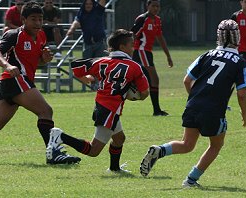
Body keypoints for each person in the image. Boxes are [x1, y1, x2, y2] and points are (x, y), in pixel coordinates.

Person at [140, 19, 246, 188]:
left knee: (187, 144)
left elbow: (186, 81)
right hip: (214, 110)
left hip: (193, 105)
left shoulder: (206, 54)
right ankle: (190, 180)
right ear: (238, 37)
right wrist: (244, 112)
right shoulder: (240, 61)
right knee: (216, 145)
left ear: (218, 37)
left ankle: (160, 150)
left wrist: (195, 100)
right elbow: (242, 94)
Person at [0, 1, 80, 165]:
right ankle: (54, 154)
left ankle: (53, 153)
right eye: (33, 19)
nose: (38, 23)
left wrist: (44, 59)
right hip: (16, 80)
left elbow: (37, 61)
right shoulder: (14, 34)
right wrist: (7, 65)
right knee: (46, 111)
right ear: (23, 19)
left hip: (12, 84)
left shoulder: (41, 36)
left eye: (40, 19)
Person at [46, 29, 150, 172]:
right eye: (131, 44)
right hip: (111, 109)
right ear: (122, 47)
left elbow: (76, 67)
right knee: (93, 150)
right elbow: (144, 93)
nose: (133, 48)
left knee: (119, 139)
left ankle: (114, 169)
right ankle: (60, 136)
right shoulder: (135, 66)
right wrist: (130, 94)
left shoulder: (101, 61)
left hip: (102, 105)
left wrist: (87, 79)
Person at [131, 0, 173, 116]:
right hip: (140, 51)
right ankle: (156, 110)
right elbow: (132, 35)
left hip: (148, 53)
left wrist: (168, 56)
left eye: (158, 6)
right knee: (154, 79)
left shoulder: (157, 20)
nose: (156, 8)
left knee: (145, 79)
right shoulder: (142, 19)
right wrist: (130, 51)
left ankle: (156, 110)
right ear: (147, 6)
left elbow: (160, 37)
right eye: (153, 6)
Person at [66, 0, 108, 91]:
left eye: (90, 4)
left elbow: (102, 2)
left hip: (99, 42)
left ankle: (99, 85)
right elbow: (76, 22)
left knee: (100, 64)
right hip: (88, 43)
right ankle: (92, 84)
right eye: (87, 4)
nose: (88, 6)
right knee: (87, 66)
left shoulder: (98, 10)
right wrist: (71, 30)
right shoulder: (82, 13)